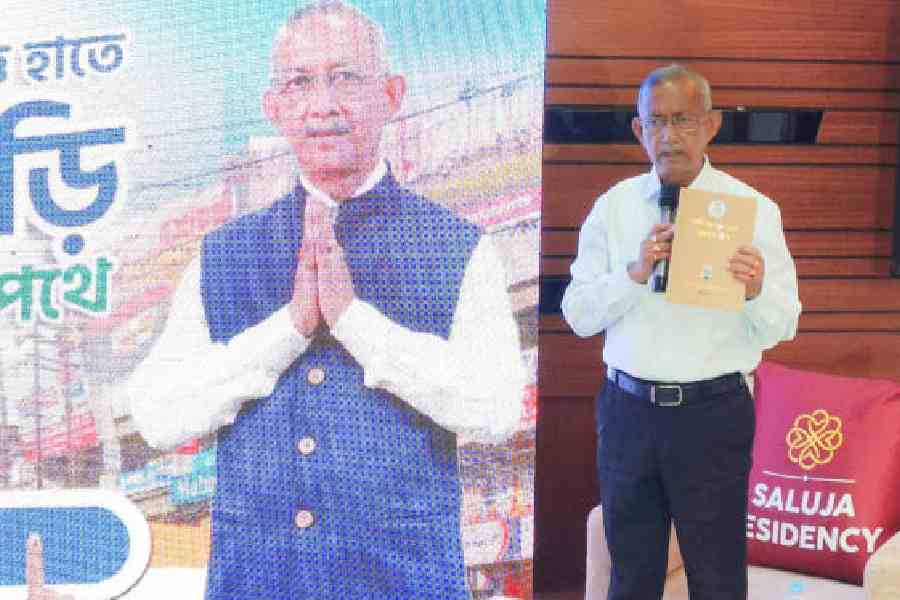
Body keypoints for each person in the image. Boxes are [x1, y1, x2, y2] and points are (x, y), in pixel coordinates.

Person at [126, 2, 524, 599]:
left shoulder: (459, 247)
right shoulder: (222, 255)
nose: (323, 104)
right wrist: (289, 329)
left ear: (391, 95)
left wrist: (354, 323)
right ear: (275, 108)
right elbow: (157, 417)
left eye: (346, 78)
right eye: (301, 83)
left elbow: (496, 410)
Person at [562, 64, 801, 600]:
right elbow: (577, 313)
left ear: (711, 125)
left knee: (716, 577)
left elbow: (784, 324)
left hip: (712, 416)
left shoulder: (755, 211)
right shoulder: (614, 208)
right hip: (628, 414)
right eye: (657, 122)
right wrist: (634, 273)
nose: (670, 136)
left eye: (685, 121)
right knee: (632, 576)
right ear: (638, 130)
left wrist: (758, 288)